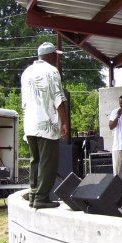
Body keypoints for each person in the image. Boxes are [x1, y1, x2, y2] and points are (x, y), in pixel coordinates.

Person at [21, 42, 69, 209]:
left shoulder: (27, 72)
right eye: (56, 55)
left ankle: (34, 194)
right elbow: (59, 98)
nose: (57, 59)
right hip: (46, 125)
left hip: (30, 124)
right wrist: (65, 122)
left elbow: (24, 102)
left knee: (35, 161)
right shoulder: (51, 71)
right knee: (48, 162)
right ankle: (42, 198)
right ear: (50, 56)